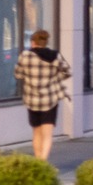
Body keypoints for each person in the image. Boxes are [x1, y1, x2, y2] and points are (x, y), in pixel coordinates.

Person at [14, 29, 72, 161]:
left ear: (33, 42)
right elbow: (68, 71)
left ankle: (38, 163)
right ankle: (43, 163)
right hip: (50, 99)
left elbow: (18, 74)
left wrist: (29, 76)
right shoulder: (55, 55)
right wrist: (56, 77)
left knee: (36, 132)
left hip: (32, 100)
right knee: (47, 134)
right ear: (45, 42)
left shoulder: (25, 55)